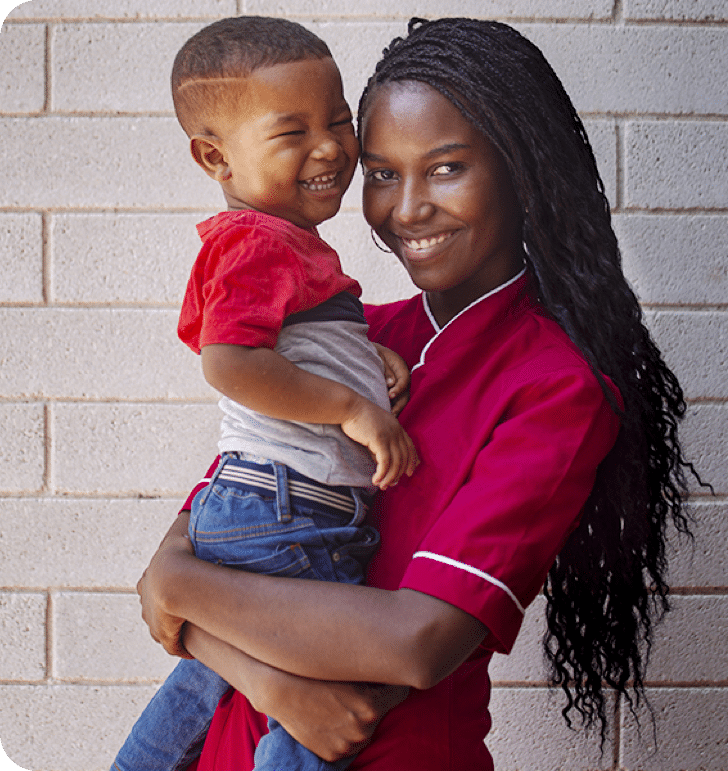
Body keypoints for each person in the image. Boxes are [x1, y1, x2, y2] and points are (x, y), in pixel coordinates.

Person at [135, 17, 703, 771]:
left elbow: (417, 641)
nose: (406, 209)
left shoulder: (556, 388)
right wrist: (267, 676)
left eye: (444, 169)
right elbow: (192, 555)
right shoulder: (351, 336)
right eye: (381, 173)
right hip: (230, 748)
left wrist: (180, 585)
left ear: (519, 169)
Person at [111, 16, 418, 771]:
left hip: (268, 505)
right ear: (215, 156)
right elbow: (231, 364)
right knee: (327, 687)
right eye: (292, 133)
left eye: (339, 120)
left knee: (203, 677)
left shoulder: (278, 242)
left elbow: (274, 343)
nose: (331, 147)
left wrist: (358, 356)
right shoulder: (258, 240)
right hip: (288, 514)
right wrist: (351, 405)